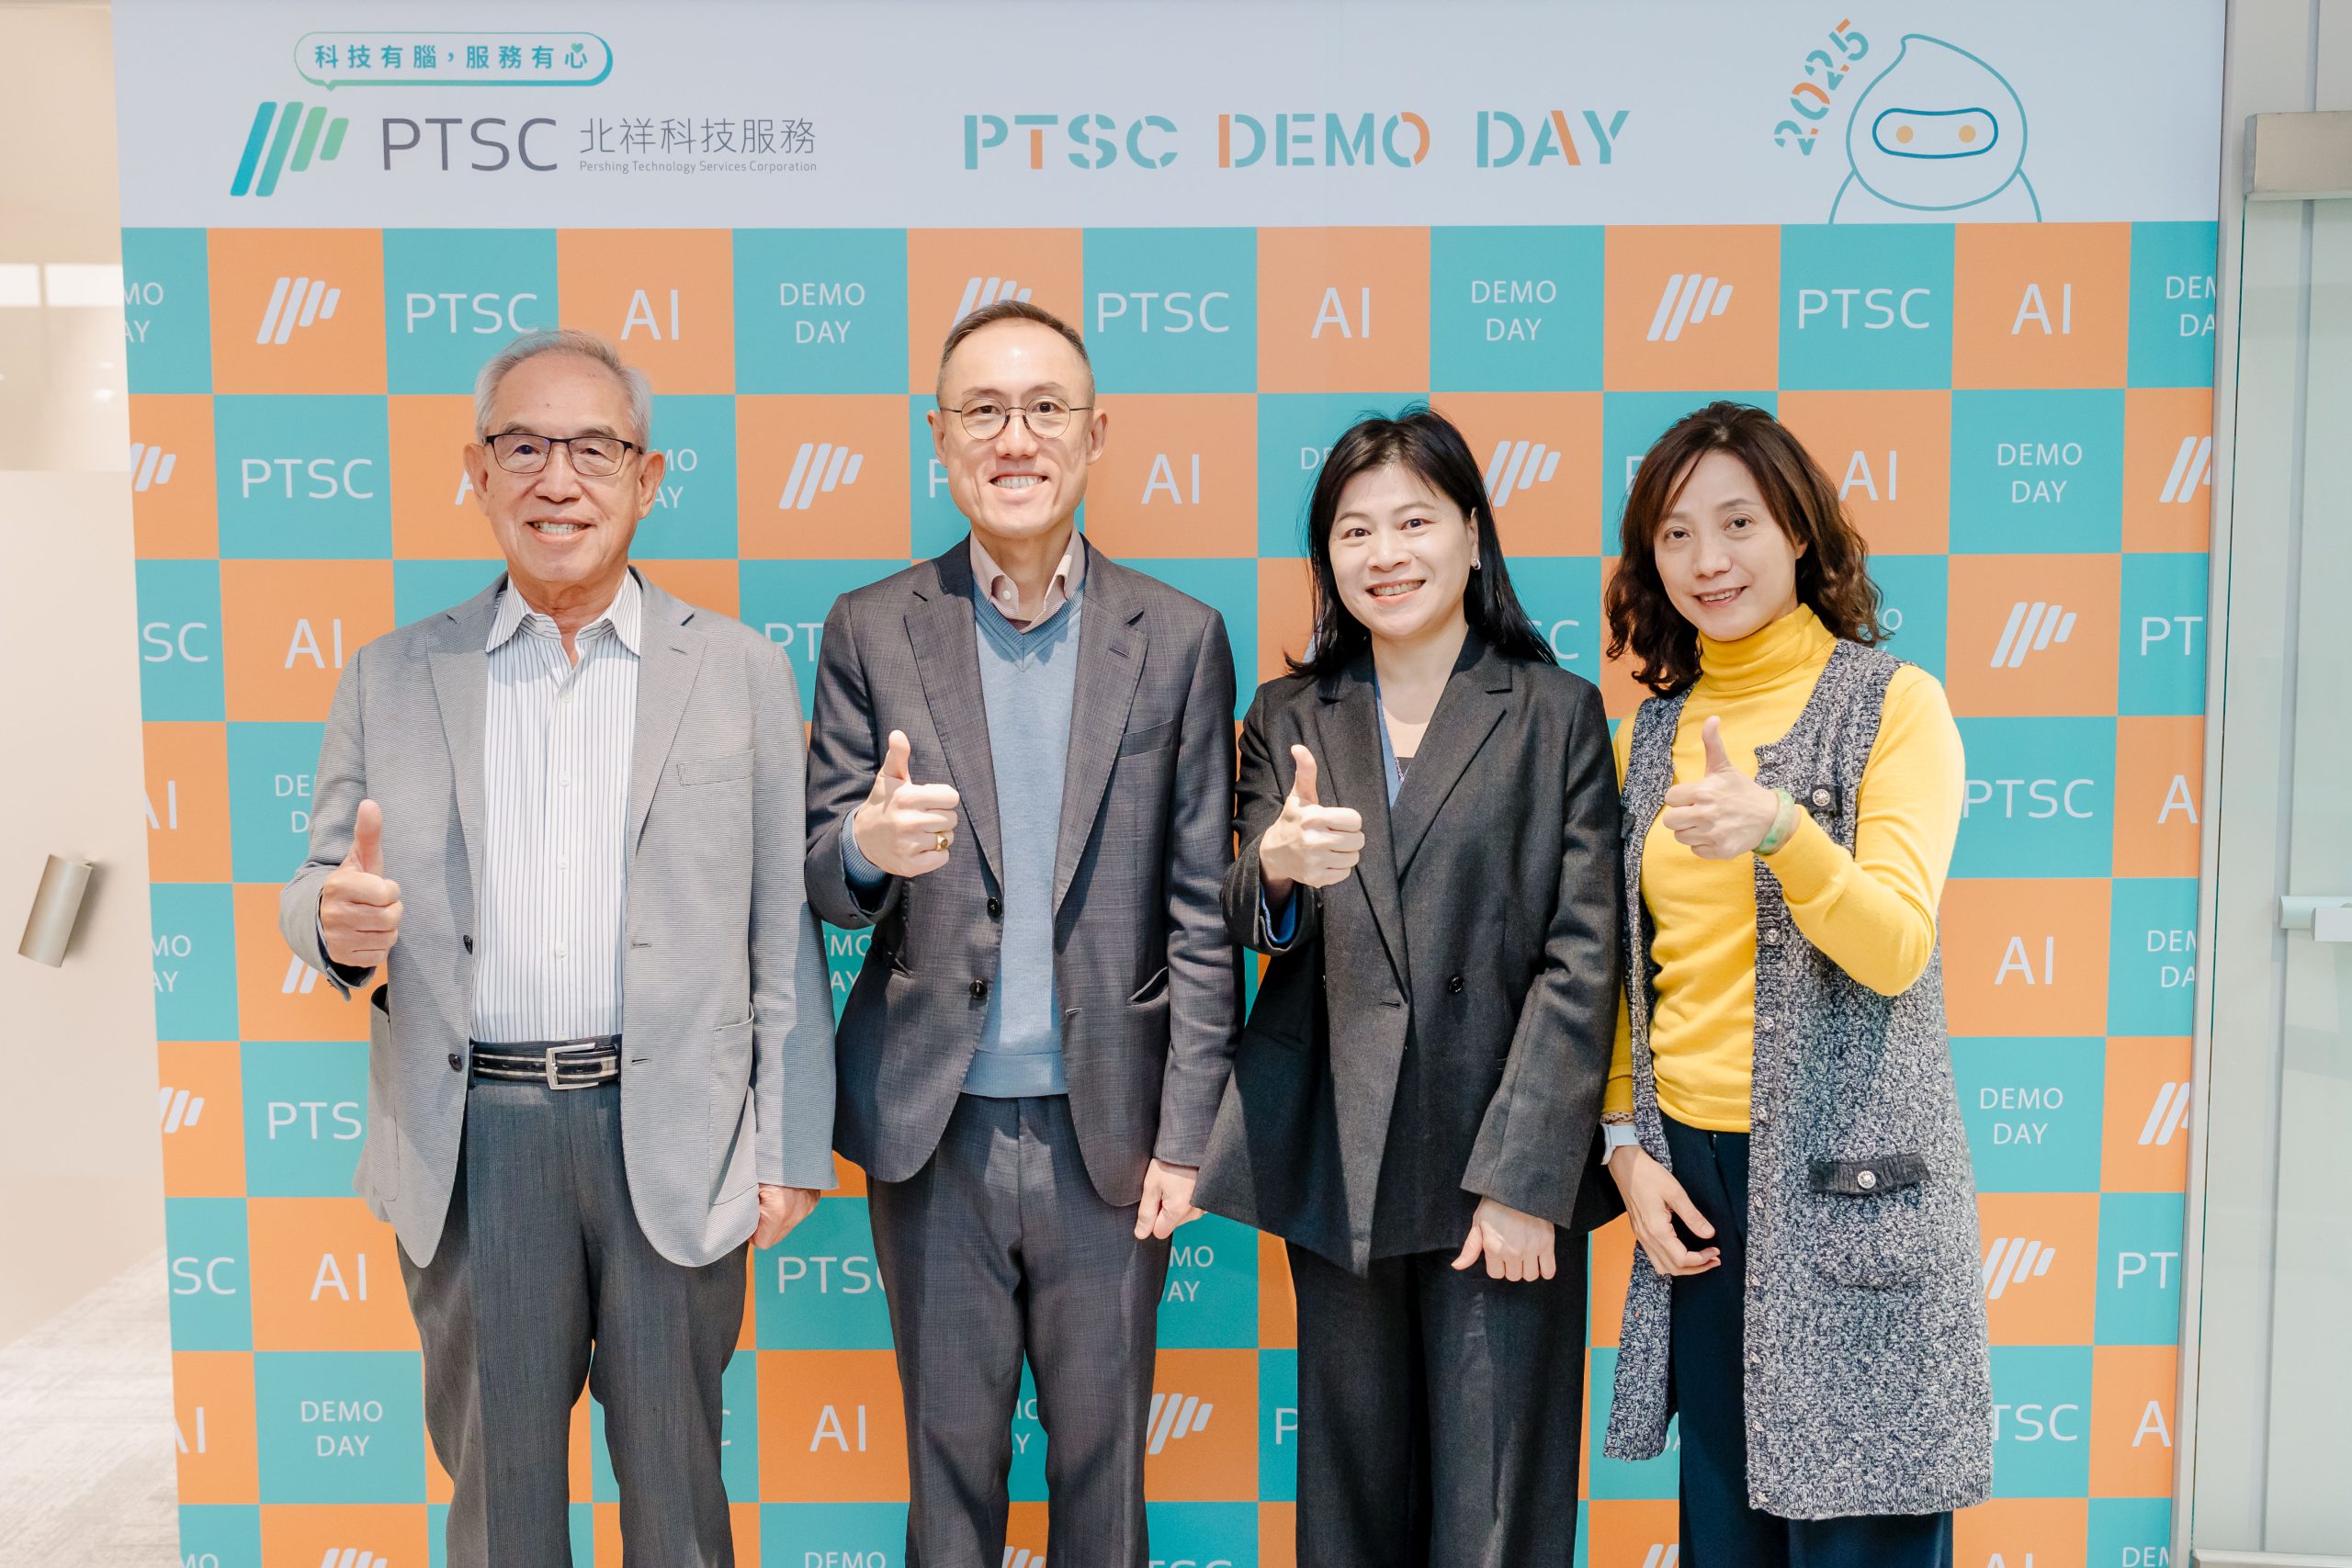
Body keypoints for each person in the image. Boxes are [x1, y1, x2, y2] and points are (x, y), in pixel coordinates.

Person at [277, 329, 836, 1567]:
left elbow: (779, 925)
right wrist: (332, 922)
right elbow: (320, 880)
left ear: (648, 476)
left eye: (594, 448)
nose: (558, 479)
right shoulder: (389, 674)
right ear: (477, 472)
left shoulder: (739, 670)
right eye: (524, 447)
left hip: (674, 1135)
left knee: (680, 1503)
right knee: (501, 1508)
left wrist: (790, 1141)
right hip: (476, 1143)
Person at [801, 299, 1238, 1567]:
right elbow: (826, 878)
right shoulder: (871, 625)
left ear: (1096, 434)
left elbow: (1202, 912)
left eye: (1046, 408)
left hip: (1114, 1133)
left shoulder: (1179, 637)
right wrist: (865, 849)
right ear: (938, 437)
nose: (1015, 437)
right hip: (931, 1128)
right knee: (948, 1477)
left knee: (1107, 1479)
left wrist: (1187, 1130)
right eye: (983, 410)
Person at [1194, 407, 1623, 1566]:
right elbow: (1243, 910)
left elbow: (1584, 958)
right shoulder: (1289, 715)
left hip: (1500, 1171)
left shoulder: (1555, 713)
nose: (1384, 553)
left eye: (1414, 522)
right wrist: (1277, 868)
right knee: (1350, 1512)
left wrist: (1526, 1181)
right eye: (1353, 531)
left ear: (1472, 537)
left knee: (1496, 1513)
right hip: (1343, 1159)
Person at [1597, 401, 1991, 1566]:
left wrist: (1781, 827)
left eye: (1738, 524)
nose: (1707, 560)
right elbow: (1627, 975)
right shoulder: (1649, 736)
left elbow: (1895, 946)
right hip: (1696, 1179)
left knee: (1862, 1529)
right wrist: (1624, 1148)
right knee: (1727, 1534)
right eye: (1675, 534)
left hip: (1848, 1180)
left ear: (1801, 534)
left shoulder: (1894, 703)